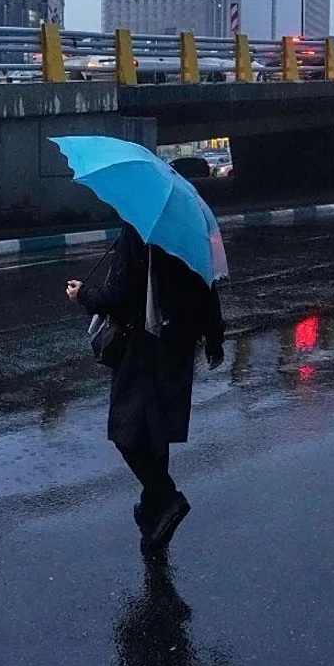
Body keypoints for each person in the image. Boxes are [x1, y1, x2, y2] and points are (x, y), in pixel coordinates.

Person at [66, 225, 224, 554]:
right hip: (178, 346)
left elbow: (118, 295)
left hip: (142, 348)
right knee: (155, 431)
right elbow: (206, 284)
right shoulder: (188, 232)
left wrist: (83, 295)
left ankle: (165, 497)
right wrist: (214, 336)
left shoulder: (138, 231)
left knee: (125, 431)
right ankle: (154, 519)